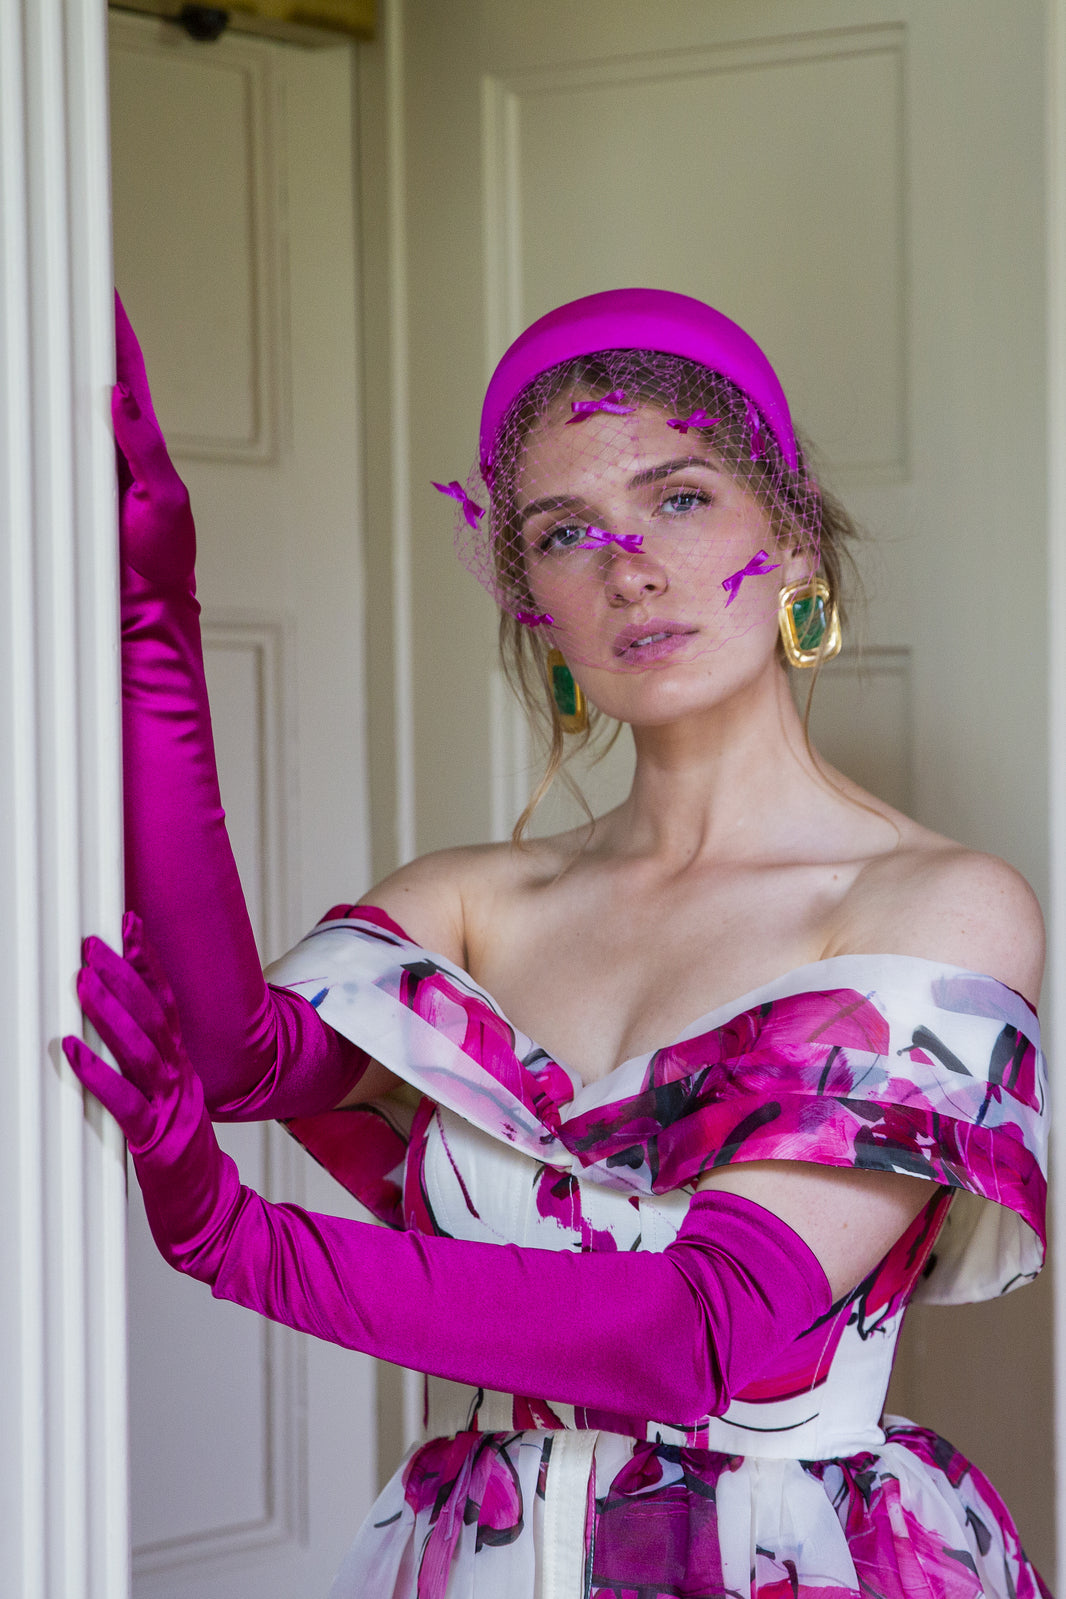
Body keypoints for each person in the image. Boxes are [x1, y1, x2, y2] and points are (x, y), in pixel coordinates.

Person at [65, 288, 1050, 1599]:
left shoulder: (940, 909)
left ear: (793, 533)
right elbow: (240, 1058)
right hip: (471, 1556)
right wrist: (151, 632)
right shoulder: (476, 902)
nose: (627, 566)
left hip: (794, 1564)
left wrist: (238, 1240)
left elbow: (694, 1332)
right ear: (531, 599)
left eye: (680, 497)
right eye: (562, 532)